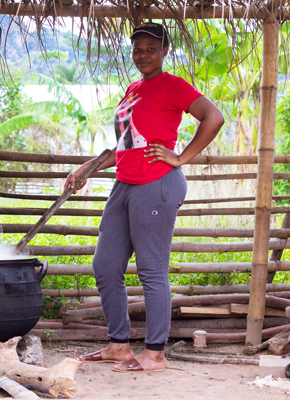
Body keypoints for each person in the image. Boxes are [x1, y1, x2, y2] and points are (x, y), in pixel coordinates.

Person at [65, 22, 224, 372]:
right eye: (138, 49)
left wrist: (180, 157)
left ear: (165, 51)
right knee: (105, 266)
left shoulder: (174, 86)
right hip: (124, 184)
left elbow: (214, 117)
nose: (143, 55)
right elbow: (125, 145)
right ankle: (119, 346)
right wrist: (86, 169)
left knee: (151, 270)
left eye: (151, 49)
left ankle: (155, 353)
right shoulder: (133, 88)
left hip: (157, 184)